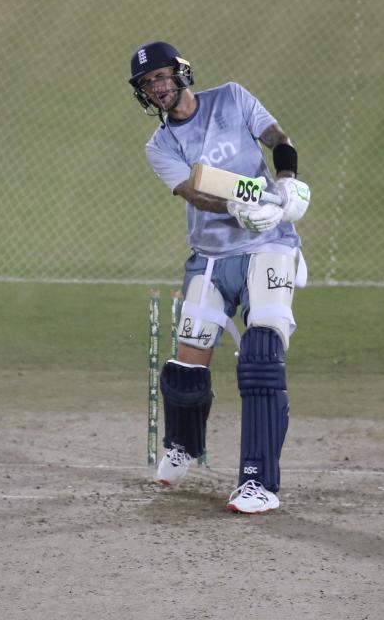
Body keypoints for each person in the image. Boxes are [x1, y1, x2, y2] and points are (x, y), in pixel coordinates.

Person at [129, 41, 311, 514]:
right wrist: (234, 205)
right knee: (186, 372)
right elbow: (194, 191)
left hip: (268, 245)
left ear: (181, 73)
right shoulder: (160, 145)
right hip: (209, 256)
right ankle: (183, 446)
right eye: (148, 84)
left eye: (163, 76)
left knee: (261, 356)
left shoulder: (231, 97)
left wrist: (287, 181)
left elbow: (276, 137)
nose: (158, 87)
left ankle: (259, 483)